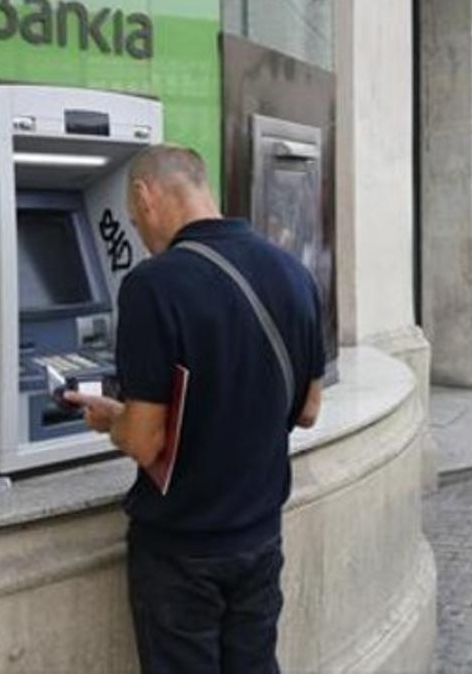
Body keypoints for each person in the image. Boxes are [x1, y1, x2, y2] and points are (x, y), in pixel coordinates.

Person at [64, 144, 326, 673]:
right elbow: (309, 410)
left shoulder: (152, 286)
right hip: (259, 535)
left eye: (135, 221)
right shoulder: (291, 273)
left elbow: (143, 442)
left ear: (145, 195)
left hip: (181, 550)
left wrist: (110, 418)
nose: (139, 232)